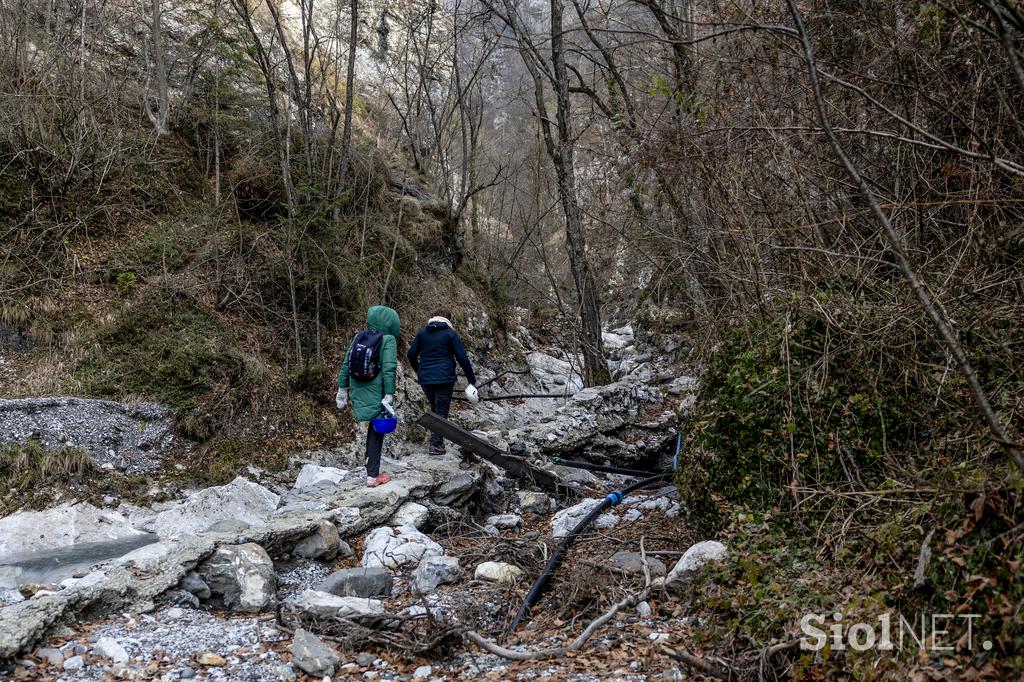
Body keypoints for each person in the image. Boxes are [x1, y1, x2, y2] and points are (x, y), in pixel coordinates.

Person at [336, 305, 401, 487]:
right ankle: (372, 476)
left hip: (358, 387)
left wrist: (342, 389)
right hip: (377, 390)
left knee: (373, 427)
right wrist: (389, 393)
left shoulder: (360, 337)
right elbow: (389, 368)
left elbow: (346, 364)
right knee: (378, 428)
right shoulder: (388, 340)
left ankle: (368, 460)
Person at [407, 309, 479, 455]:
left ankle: (435, 441)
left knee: (435, 408)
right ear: (448, 319)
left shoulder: (422, 333)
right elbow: (462, 358)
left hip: (426, 377)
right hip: (445, 377)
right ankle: (435, 444)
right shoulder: (450, 334)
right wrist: (471, 380)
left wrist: (419, 370)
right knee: (441, 411)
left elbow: (411, 354)